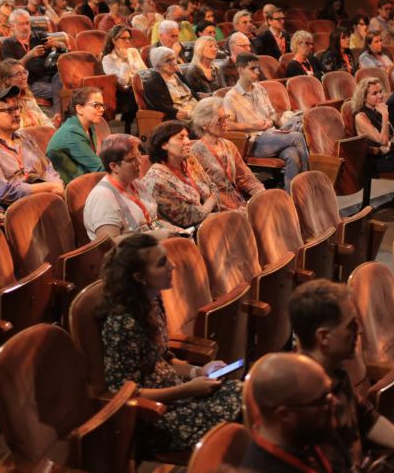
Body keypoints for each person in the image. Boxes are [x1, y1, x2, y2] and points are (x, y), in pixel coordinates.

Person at [95, 233, 241, 454]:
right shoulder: (122, 324)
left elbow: (163, 358)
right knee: (240, 419)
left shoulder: (152, 301)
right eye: (162, 263)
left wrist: (198, 371)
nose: (172, 266)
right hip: (155, 415)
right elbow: (125, 394)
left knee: (249, 394)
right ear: (140, 277)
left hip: (179, 393)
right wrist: (186, 390)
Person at [287, 282, 394, 472]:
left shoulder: (334, 369)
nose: (360, 331)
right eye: (351, 325)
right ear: (323, 337)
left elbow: (367, 418)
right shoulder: (305, 405)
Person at [240, 353, 342, 473]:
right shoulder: (263, 468)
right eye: (324, 399)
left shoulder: (308, 433)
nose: (336, 402)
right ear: (284, 414)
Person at [224, 53, 310, 189]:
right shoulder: (231, 97)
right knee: (297, 137)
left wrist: (271, 121)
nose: (257, 72)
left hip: (271, 135)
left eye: (257, 68)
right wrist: (253, 125)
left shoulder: (260, 89)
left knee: (292, 154)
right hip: (253, 142)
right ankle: (308, 182)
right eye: (252, 68)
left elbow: (272, 114)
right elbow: (227, 125)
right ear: (240, 70)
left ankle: (292, 196)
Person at [0, 86, 64, 207]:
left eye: (17, 108)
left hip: (49, 199)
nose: (17, 114)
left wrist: (57, 186)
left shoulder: (24, 137)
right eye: (9, 110)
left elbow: (47, 168)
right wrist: (49, 187)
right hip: (20, 209)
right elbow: (5, 194)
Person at [84, 134, 181, 241]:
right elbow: (111, 242)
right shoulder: (103, 197)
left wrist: (167, 227)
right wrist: (152, 237)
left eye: (139, 155)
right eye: (132, 159)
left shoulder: (136, 184)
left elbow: (151, 220)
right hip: (131, 251)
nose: (139, 162)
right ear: (114, 166)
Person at [190, 97, 264, 210]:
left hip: (240, 203)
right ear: (204, 124)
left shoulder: (229, 146)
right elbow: (203, 195)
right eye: (220, 120)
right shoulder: (195, 153)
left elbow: (246, 177)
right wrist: (233, 211)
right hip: (219, 210)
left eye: (225, 117)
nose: (226, 123)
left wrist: (261, 193)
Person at [144, 121, 221, 229]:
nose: (188, 141)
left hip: (209, 219)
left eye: (187, 137)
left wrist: (211, 202)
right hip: (187, 232)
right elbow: (186, 218)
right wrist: (211, 202)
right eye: (181, 138)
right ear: (164, 145)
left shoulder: (190, 161)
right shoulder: (158, 179)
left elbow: (212, 187)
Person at [0, 7, 63, 111]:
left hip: (51, 76)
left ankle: (58, 113)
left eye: (27, 23)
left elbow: (64, 52)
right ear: (12, 26)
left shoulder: (39, 36)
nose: (26, 27)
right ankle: (58, 113)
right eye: (21, 24)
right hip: (31, 81)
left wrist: (57, 45)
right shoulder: (8, 44)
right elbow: (10, 70)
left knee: (63, 80)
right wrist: (29, 56)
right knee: (61, 91)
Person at [351, 76, 394, 181]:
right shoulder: (360, 116)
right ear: (364, 97)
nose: (380, 96)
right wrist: (385, 116)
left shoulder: (378, 110)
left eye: (380, 91)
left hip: (390, 153)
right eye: (374, 93)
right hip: (375, 159)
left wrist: (387, 145)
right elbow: (383, 140)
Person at [45, 87, 107, 183]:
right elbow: (98, 168)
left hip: (83, 180)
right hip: (67, 186)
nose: (102, 109)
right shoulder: (71, 133)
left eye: (103, 105)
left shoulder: (90, 127)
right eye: (96, 105)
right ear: (79, 108)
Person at [0, 59, 52, 129]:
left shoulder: (28, 97)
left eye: (25, 72)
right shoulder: (4, 105)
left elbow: (44, 119)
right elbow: (15, 132)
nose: (24, 77)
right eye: (19, 74)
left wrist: (51, 131)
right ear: (6, 81)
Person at [142, 47, 196, 121]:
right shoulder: (153, 84)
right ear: (158, 65)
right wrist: (194, 114)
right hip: (181, 119)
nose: (173, 63)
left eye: (173, 58)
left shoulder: (177, 74)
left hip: (196, 109)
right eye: (168, 60)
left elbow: (193, 94)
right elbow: (168, 110)